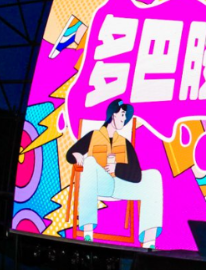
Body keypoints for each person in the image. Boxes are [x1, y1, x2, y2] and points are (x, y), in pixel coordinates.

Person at [66, 99, 163, 249]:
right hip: (100, 183)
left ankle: (149, 242)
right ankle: (88, 232)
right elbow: (69, 155)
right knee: (90, 161)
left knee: (154, 176)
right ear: (113, 115)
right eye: (122, 114)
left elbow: (137, 175)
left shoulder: (125, 143)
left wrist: (116, 168)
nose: (124, 118)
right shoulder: (93, 136)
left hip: (121, 184)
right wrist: (76, 154)